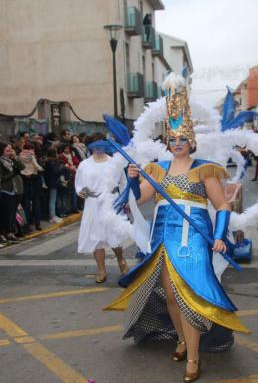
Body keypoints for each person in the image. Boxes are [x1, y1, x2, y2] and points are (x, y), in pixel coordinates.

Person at [105, 73, 249, 382]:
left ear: (191, 141)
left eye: (183, 139)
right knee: (171, 295)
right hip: (162, 239)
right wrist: (132, 179)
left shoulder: (205, 170)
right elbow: (138, 199)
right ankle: (182, 340)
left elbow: (222, 206)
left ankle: (194, 359)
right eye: (173, 139)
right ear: (167, 142)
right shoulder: (157, 170)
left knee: (189, 296)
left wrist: (220, 236)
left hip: (193, 239)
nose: (178, 144)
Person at [75, 140, 128, 283]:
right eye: (95, 147)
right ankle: (102, 271)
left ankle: (121, 260)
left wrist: (124, 200)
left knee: (114, 235)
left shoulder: (114, 163)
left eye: (101, 147)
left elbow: (123, 182)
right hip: (92, 203)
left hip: (111, 200)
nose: (98, 150)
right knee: (95, 237)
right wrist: (80, 191)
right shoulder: (84, 165)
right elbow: (79, 184)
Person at [0, 143, 23, 242]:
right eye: (7, 151)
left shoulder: (11, 161)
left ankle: (11, 231)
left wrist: (15, 158)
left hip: (15, 190)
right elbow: (2, 178)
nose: (9, 153)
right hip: (6, 190)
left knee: (12, 213)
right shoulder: (0, 162)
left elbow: (22, 167)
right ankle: (2, 232)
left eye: (10, 150)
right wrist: (12, 174)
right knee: (5, 214)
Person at [20, 143, 44, 230]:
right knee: (36, 204)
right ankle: (37, 224)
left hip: (25, 181)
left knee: (26, 205)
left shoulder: (20, 156)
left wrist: (25, 174)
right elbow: (39, 168)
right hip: (35, 183)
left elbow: (20, 168)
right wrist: (39, 171)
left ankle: (28, 225)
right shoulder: (34, 156)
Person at [44, 148, 66, 223]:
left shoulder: (48, 161)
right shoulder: (50, 162)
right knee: (52, 200)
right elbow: (55, 171)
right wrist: (63, 166)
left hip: (51, 182)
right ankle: (53, 216)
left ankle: (53, 215)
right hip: (52, 183)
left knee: (53, 199)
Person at [59, 144, 80, 212]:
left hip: (73, 176)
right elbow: (63, 165)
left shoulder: (72, 155)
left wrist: (73, 166)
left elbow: (77, 162)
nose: (67, 150)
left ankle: (74, 208)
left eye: (68, 148)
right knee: (66, 194)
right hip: (66, 177)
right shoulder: (61, 156)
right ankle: (66, 209)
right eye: (65, 149)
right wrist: (69, 166)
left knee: (74, 193)